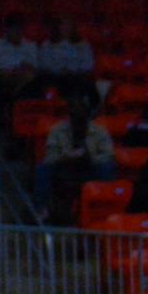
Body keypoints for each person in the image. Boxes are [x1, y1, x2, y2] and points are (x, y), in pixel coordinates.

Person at [35, 94, 118, 223]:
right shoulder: (57, 131)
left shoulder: (99, 131)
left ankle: (106, 208)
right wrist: (66, 156)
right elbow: (49, 157)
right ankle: (42, 209)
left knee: (108, 167)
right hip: (65, 168)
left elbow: (109, 154)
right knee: (42, 169)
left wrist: (91, 157)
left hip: (90, 169)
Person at [0, 13, 37, 119]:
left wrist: (18, 67)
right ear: (7, 30)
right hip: (2, 74)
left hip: (21, 75)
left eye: (19, 28)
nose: (17, 31)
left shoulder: (30, 45)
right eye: (14, 28)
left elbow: (33, 63)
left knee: (30, 76)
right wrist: (18, 64)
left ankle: (12, 106)